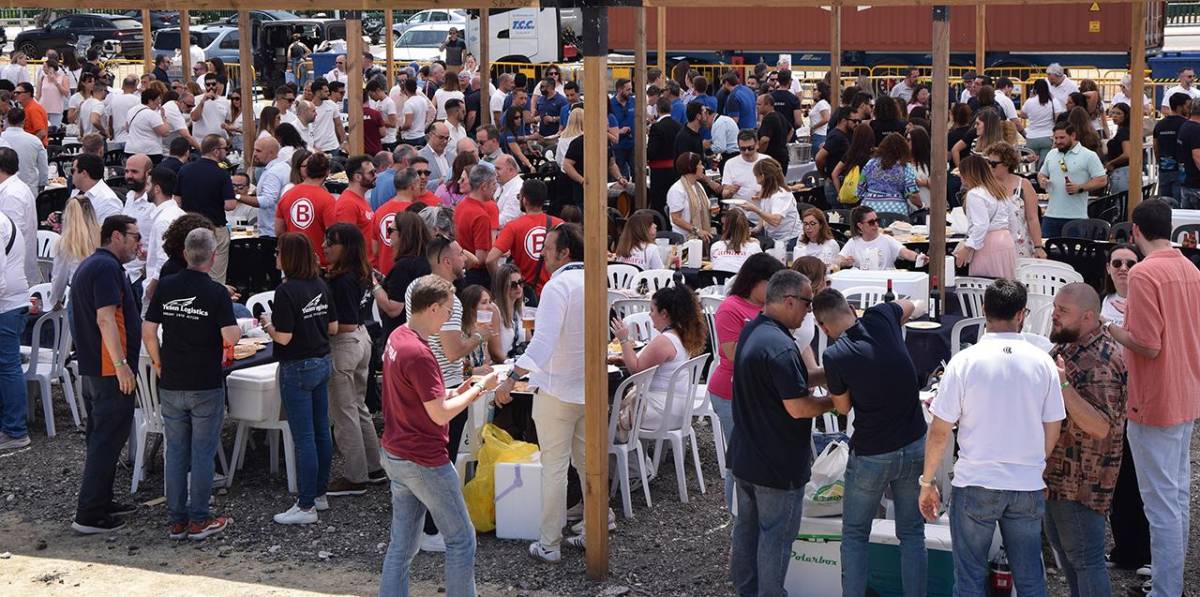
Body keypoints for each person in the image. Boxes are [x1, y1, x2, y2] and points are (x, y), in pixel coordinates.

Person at [919, 279, 1065, 596]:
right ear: (1022, 314)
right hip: (1025, 483)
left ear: (983, 310)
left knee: (969, 580)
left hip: (976, 482)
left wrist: (927, 481)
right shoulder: (1044, 362)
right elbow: (1053, 425)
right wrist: (1034, 464)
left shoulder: (964, 361)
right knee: (1030, 580)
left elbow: (941, 430)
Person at [377, 274, 499, 597]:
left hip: (397, 453)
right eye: (447, 311)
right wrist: (477, 390)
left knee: (401, 548)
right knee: (462, 539)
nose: (450, 319)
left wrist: (464, 386)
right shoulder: (418, 353)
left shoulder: (398, 337)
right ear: (432, 308)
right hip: (423, 458)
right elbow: (440, 413)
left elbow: (427, 398)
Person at [1105, 199, 1200, 597]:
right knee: (1175, 496)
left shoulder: (1145, 275)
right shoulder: (1190, 268)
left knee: (1161, 503)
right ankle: (1168, 581)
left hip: (1154, 397)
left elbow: (1146, 344)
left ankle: (1165, 588)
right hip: (1186, 390)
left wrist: (1112, 329)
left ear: (1136, 233)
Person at [813, 288, 927, 597]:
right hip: (915, 442)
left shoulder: (834, 354)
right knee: (912, 533)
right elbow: (911, 304)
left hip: (872, 451)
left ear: (823, 327)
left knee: (854, 534)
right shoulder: (880, 315)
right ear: (851, 308)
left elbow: (843, 407)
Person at [490, 224, 591, 561]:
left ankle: (550, 541)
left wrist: (511, 378)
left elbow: (543, 345)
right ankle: (596, 526)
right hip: (587, 386)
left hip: (557, 389)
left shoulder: (557, 286)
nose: (541, 253)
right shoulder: (595, 279)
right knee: (587, 463)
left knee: (555, 467)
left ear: (563, 253)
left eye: (547, 247)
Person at [729, 270, 830, 595]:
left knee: (746, 532)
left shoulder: (754, 331)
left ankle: (746, 590)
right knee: (775, 537)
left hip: (746, 458)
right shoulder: (783, 348)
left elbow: (788, 383)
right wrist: (835, 402)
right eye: (807, 304)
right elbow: (798, 406)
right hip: (776, 465)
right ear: (789, 301)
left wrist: (834, 373)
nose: (809, 312)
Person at [141, 227, 239, 540]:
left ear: (185, 253)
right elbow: (229, 336)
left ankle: (176, 520)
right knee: (202, 451)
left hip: (171, 381)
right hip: (205, 382)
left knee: (176, 450)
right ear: (212, 257)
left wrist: (157, 362)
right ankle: (199, 519)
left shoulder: (166, 286)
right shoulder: (217, 292)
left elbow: (148, 330)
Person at [1041, 282, 1128, 597]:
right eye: (1055, 308)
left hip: (1080, 485)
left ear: (1089, 317)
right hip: (1060, 477)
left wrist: (1063, 386)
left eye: (1063, 311)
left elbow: (1100, 426)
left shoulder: (1100, 363)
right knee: (1069, 558)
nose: (1054, 316)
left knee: (1086, 561)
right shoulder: (1072, 343)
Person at [405, 234, 491, 552]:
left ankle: (418, 527)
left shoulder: (415, 288)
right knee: (443, 459)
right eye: (459, 254)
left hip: (418, 385)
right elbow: (453, 351)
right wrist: (478, 337)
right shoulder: (450, 299)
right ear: (445, 261)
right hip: (445, 387)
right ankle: (432, 529)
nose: (466, 258)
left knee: (422, 459)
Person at [69, 215, 143, 533]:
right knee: (106, 439)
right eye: (135, 237)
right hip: (107, 368)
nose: (139, 243)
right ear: (116, 236)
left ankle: (101, 500)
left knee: (104, 436)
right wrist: (121, 365)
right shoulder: (105, 268)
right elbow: (105, 319)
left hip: (96, 366)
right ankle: (89, 514)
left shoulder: (95, 265)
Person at [262, 233, 336, 525]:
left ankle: (305, 506)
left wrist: (268, 324)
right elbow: (332, 327)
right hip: (322, 360)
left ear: (288, 256)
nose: (275, 256)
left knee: (304, 437)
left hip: (296, 366)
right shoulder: (321, 284)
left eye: (278, 251)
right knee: (320, 432)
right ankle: (319, 494)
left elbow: (284, 336)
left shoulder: (286, 291)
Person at [1098, 244, 1153, 575]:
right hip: (1106, 403)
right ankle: (1125, 549)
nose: (1122, 268)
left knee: (1138, 478)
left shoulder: (1144, 305)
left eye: (1129, 263)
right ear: (1107, 268)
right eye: (1116, 263)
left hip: (1137, 401)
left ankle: (1146, 552)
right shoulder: (1099, 303)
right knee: (1115, 479)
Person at [320, 224, 386, 496]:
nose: (324, 246)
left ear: (345, 247)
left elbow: (344, 324)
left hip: (345, 344)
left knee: (343, 411)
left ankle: (355, 476)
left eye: (330, 242)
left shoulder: (342, 279)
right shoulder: (362, 272)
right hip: (363, 340)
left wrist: (320, 327)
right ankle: (374, 467)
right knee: (358, 407)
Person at [610, 285, 707, 431]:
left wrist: (623, 340)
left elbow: (636, 371)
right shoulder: (682, 334)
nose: (650, 315)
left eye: (652, 310)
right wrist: (624, 359)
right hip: (678, 408)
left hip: (661, 410)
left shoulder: (665, 340)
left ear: (664, 313)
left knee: (604, 413)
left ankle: (623, 451)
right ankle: (635, 451)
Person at [177, 135, 236, 283]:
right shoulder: (222, 172)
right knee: (216, 277)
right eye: (225, 149)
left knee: (191, 271)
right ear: (216, 151)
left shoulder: (185, 170)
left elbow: (176, 200)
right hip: (215, 227)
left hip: (189, 228)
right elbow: (230, 205)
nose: (226, 152)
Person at [486, 180, 561, 295]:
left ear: (525, 200)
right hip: (555, 291)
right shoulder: (560, 225)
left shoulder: (513, 226)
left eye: (518, 197)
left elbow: (490, 260)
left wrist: (503, 283)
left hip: (524, 293)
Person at [1037, 123, 1107, 238]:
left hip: (1076, 217)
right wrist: (1042, 180)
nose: (1058, 141)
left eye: (1062, 137)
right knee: (1047, 254)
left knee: (1072, 254)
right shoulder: (1052, 154)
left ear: (1073, 136)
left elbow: (1102, 180)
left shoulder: (1088, 155)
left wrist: (1080, 187)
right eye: (1056, 138)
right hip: (1050, 216)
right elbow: (1041, 174)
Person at [955, 154, 1017, 279]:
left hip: (987, 243)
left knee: (985, 287)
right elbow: (1013, 220)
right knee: (1006, 287)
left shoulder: (974, 194)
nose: (960, 177)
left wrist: (967, 248)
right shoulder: (999, 191)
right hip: (1006, 241)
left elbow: (981, 225)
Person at [372, 210, 431, 337]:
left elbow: (393, 308)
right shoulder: (426, 261)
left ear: (403, 234)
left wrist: (372, 281)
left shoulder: (404, 267)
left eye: (390, 231)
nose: (388, 235)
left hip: (402, 334)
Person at [0, 208, 29, 451]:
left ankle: (14, 430)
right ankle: (11, 427)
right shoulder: (4, 220)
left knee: (8, 367)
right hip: (13, 302)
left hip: (5, 305)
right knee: (8, 367)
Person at [986, 142, 1046, 260]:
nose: (990, 167)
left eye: (994, 164)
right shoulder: (985, 185)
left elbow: (1032, 218)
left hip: (1020, 245)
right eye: (988, 163)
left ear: (1007, 163)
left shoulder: (1023, 185)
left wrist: (1038, 246)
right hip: (992, 246)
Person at [276, 152, 337, 266]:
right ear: (327, 172)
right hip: (318, 263)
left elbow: (279, 231)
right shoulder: (327, 199)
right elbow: (332, 235)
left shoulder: (287, 195)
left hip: (292, 261)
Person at [741, 158, 801, 250]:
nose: (755, 178)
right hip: (773, 237)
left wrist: (755, 209)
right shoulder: (767, 189)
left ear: (762, 176)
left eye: (756, 175)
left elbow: (775, 221)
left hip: (788, 240)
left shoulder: (780, 195)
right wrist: (758, 227)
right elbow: (765, 210)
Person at [454, 164, 498, 288]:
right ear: (484, 186)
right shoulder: (481, 216)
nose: (495, 188)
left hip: (461, 270)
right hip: (477, 278)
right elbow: (482, 258)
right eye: (493, 184)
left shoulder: (460, 206)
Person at [838, 205, 921, 270]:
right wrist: (844, 262)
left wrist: (918, 257)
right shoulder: (853, 242)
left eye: (877, 220)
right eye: (871, 222)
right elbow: (839, 259)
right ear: (860, 226)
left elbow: (905, 252)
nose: (876, 224)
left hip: (886, 281)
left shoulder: (886, 239)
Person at [857, 132, 920, 216]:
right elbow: (913, 194)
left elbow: (860, 189)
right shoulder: (905, 167)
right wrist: (921, 205)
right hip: (896, 211)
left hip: (869, 211)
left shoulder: (870, 164)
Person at [720, 130, 767, 225]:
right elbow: (725, 194)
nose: (746, 152)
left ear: (757, 145)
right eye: (743, 149)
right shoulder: (730, 164)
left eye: (750, 148)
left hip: (762, 217)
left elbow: (778, 188)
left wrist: (765, 192)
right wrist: (730, 192)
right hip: (739, 218)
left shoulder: (766, 161)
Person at [1, 108, 49, 199]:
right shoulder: (35, 141)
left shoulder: (2, 138)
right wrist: (42, 185)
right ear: (24, 121)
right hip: (29, 191)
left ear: (7, 119)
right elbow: (43, 168)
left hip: (3, 190)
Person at [667, 152, 714, 241]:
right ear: (691, 167)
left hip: (703, 234)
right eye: (700, 164)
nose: (703, 167)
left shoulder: (699, 186)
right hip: (684, 238)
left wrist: (712, 210)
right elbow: (676, 219)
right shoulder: (677, 190)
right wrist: (697, 230)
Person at [1152, 92, 1190, 203]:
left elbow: (1156, 147)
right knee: (1180, 206)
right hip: (1183, 172)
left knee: (1164, 205)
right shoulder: (1187, 124)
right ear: (1179, 107)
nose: (1189, 109)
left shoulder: (1160, 125)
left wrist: (1160, 163)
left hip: (1164, 170)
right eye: (1187, 106)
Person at [73, 153, 122, 224]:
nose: (71, 175)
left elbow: (108, 233)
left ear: (84, 173)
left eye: (73, 171)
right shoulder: (78, 191)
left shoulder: (108, 201)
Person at [491, 263, 527, 361]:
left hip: (519, 362)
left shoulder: (521, 307)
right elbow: (495, 352)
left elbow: (529, 340)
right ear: (503, 287)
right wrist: (512, 366)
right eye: (513, 285)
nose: (519, 287)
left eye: (521, 282)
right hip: (503, 365)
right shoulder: (494, 310)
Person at [831, 124, 875, 201]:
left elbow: (834, 173)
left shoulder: (850, 154)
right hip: (866, 197)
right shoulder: (873, 155)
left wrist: (840, 193)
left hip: (849, 194)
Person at [709, 209, 762, 273]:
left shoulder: (715, 246)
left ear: (724, 226)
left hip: (719, 282)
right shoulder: (754, 247)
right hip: (742, 282)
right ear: (746, 227)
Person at [756, 93, 792, 172]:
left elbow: (765, 139)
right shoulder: (780, 115)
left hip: (772, 159)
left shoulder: (768, 119)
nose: (757, 107)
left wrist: (760, 154)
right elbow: (791, 130)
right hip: (783, 156)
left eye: (759, 104)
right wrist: (783, 142)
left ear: (768, 105)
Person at [1176, 95, 1200, 210]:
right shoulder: (1196, 130)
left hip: (1187, 183)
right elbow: (1198, 158)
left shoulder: (1185, 126)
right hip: (1196, 187)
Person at [1104, 103, 1132, 193]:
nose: (1115, 116)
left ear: (1126, 116)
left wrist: (1111, 163)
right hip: (1120, 172)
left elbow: (1127, 154)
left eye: (1119, 114)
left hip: (1122, 171)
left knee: (1121, 202)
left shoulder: (1124, 132)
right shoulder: (1121, 131)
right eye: (1113, 113)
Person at [494, 154, 524, 227]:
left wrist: (483, 222)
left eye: (498, 169)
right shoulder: (502, 184)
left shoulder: (518, 189)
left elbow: (507, 219)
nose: (494, 172)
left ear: (511, 170)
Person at [808, 82, 832, 154]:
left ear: (820, 92)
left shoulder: (822, 103)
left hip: (819, 135)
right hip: (818, 135)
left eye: (815, 90)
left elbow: (826, 118)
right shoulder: (820, 103)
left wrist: (813, 127)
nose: (813, 92)